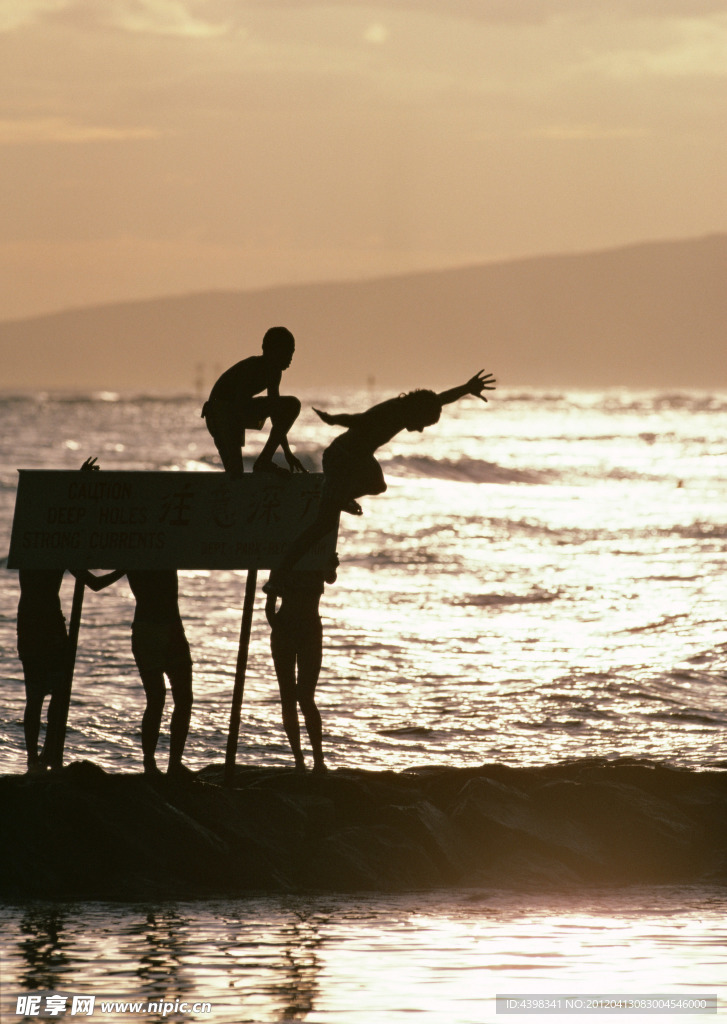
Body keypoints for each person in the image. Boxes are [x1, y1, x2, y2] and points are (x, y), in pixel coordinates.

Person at [265, 370, 496, 585]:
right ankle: (280, 575)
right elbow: (361, 420)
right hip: (340, 458)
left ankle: (339, 498)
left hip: (359, 458)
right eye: (423, 423)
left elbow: (440, 398)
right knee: (323, 524)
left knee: (377, 485)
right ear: (417, 413)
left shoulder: (411, 408)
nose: (421, 429)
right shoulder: (391, 413)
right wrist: (334, 419)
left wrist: (466, 388)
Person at [17, 567, 123, 773]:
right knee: (56, 694)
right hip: (50, 629)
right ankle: (45, 754)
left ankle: (35, 758)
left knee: (36, 696)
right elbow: (95, 584)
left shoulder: (30, 549)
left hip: (29, 626)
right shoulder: (56, 550)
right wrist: (126, 569)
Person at [201, 326, 306, 478]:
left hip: (236, 412)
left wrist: (287, 453)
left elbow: (276, 415)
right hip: (220, 413)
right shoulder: (253, 368)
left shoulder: (275, 372)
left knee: (291, 405)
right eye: (287, 352)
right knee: (236, 474)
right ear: (271, 351)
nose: (290, 357)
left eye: (292, 352)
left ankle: (264, 461)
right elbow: (237, 409)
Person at [265, 557, 338, 773]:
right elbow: (269, 606)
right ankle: (299, 760)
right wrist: (279, 629)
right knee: (288, 697)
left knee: (305, 696)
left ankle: (318, 760)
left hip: (309, 631)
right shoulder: (283, 558)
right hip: (286, 630)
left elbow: (331, 578)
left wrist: (330, 563)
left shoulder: (319, 556)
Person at [125, 570, 194, 779]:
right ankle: (153, 763)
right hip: (154, 628)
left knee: (177, 699)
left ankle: (169, 764)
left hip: (167, 627)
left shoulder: (142, 550)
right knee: (159, 698)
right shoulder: (141, 552)